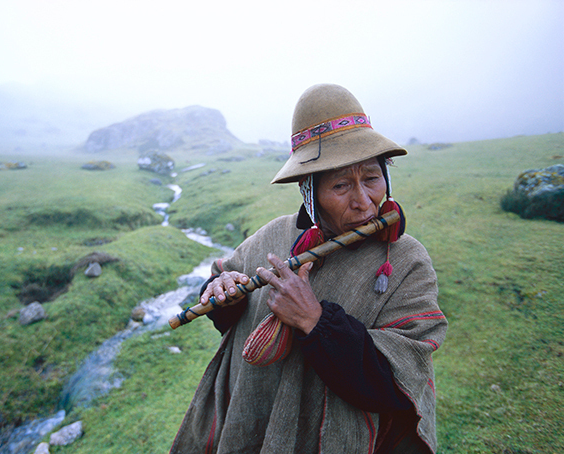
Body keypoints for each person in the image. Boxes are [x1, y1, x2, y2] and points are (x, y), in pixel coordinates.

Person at [170, 84, 447, 454]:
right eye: (341, 185)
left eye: (371, 179)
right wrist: (221, 291)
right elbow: (230, 310)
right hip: (253, 413)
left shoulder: (406, 261)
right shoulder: (275, 235)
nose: (364, 202)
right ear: (309, 192)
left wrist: (315, 320)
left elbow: (397, 381)